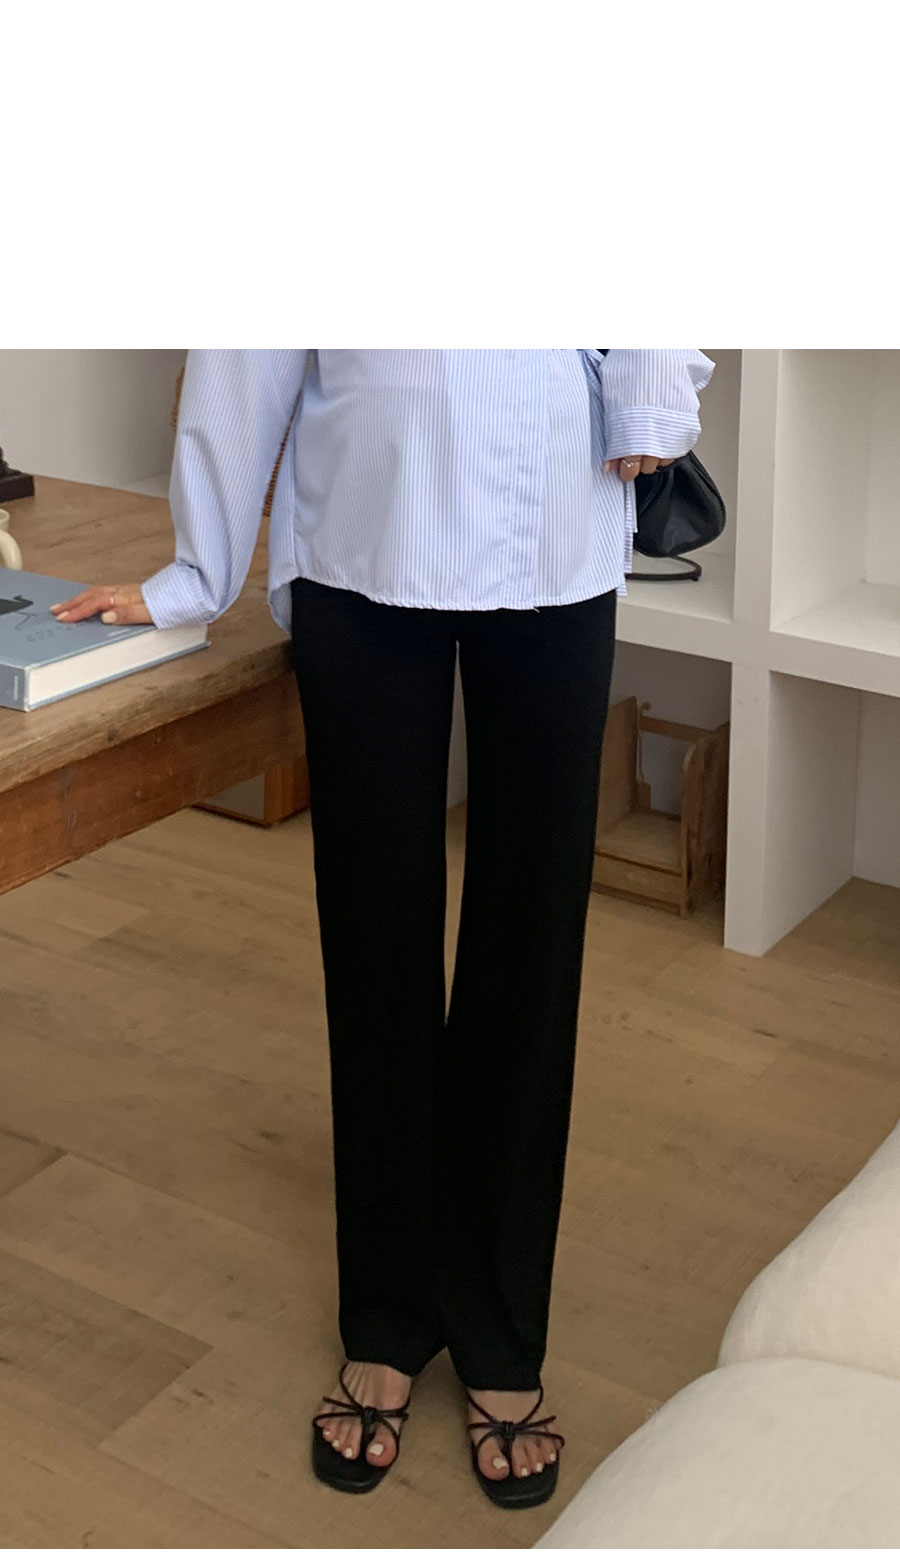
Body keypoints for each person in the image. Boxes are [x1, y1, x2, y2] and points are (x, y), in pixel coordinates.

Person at [53, 348, 714, 1509]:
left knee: (529, 946)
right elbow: (244, 348)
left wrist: (655, 384)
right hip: (362, 535)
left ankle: (501, 1330)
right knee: (374, 942)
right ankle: (389, 1315)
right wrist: (193, 576)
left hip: (554, 521)